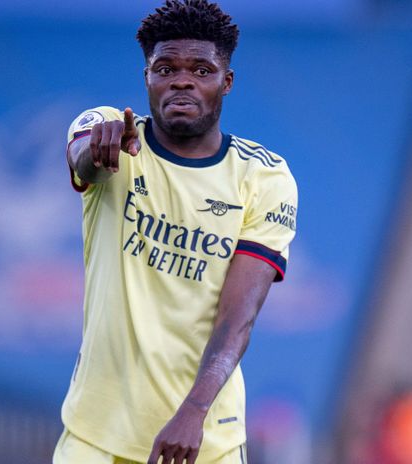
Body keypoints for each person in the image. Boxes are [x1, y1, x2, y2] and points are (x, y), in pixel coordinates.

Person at [54, 1, 297, 463]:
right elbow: (82, 156)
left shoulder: (264, 177)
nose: (182, 80)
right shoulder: (114, 134)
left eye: (201, 69)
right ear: (146, 77)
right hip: (95, 435)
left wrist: (194, 410)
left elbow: (238, 315)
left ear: (226, 82)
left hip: (204, 438)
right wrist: (97, 151)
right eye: (165, 68)